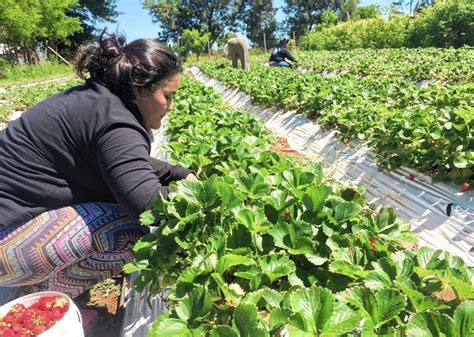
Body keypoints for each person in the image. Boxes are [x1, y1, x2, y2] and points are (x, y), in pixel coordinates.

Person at [0, 30, 197, 300]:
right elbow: (149, 204)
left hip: (9, 223)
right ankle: (38, 302)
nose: (171, 106)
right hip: (6, 239)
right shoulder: (116, 121)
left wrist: (179, 173)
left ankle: (32, 286)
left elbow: (128, 162)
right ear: (140, 89)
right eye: (168, 96)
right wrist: (199, 200)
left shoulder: (98, 101)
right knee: (129, 232)